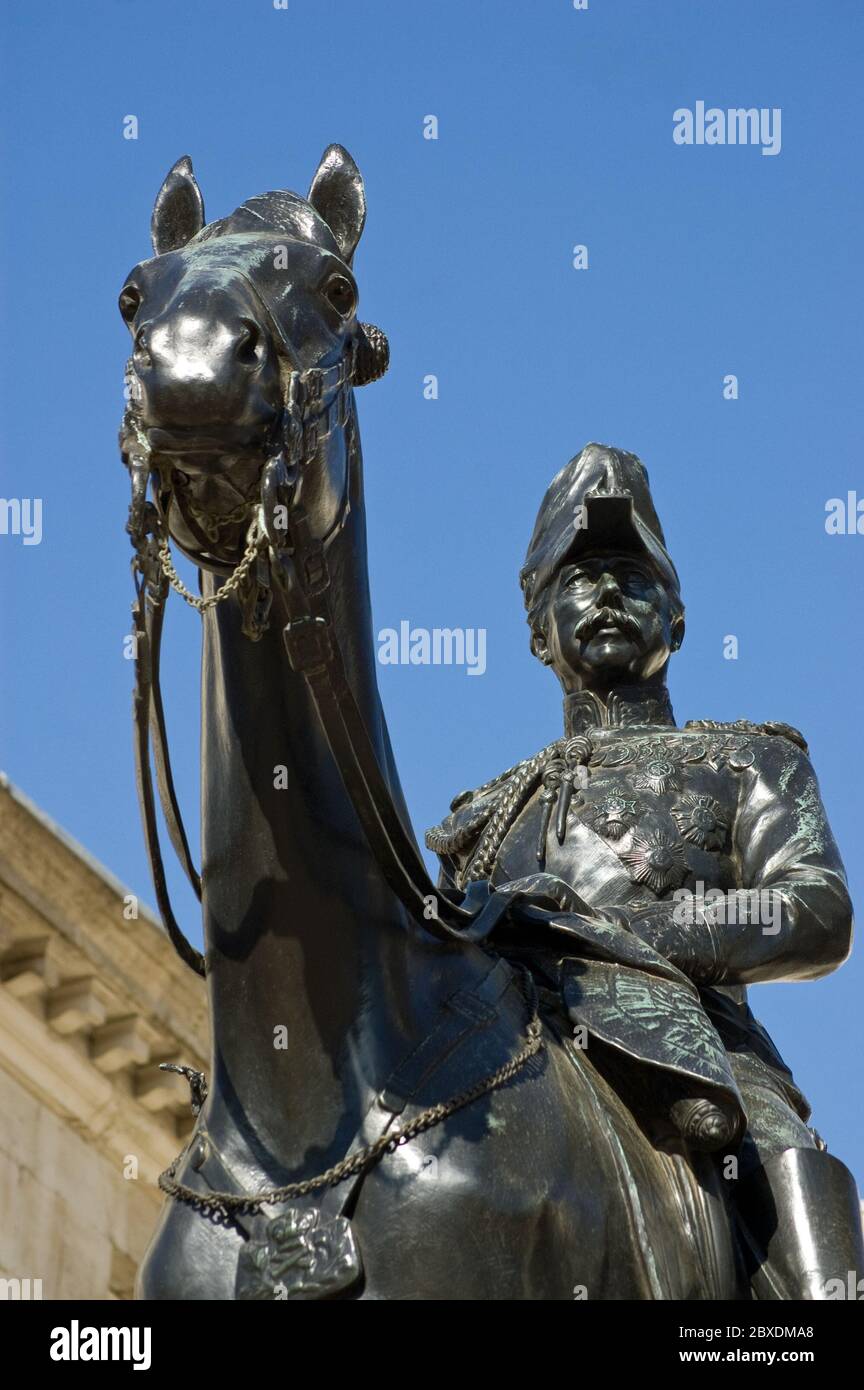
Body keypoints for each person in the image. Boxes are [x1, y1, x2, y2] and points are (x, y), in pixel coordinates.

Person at [426, 443, 864, 1299]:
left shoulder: (750, 760)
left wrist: (627, 932)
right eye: (580, 580)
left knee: (791, 1191)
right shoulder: (479, 821)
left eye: (633, 576)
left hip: (703, 1065)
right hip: (515, 1069)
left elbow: (819, 911)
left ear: (679, 616)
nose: (608, 595)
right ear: (537, 628)